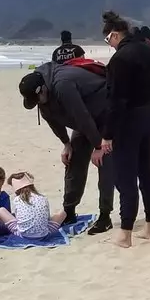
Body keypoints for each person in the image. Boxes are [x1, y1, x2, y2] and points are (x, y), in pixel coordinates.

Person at [19, 57, 116, 232]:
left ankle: (105, 216)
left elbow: (82, 116)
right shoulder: (41, 92)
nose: (37, 104)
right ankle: (69, 211)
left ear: (42, 90)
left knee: (104, 162)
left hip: (103, 113)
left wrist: (98, 146)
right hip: (84, 120)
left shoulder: (63, 86)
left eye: (37, 99)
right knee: (74, 162)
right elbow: (52, 119)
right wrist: (66, 144)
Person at [100, 10, 150, 248]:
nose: (109, 45)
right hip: (148, 114)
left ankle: (126, 233)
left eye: (108, 40)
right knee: (148, 170)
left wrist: (107, 134)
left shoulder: (120, 59)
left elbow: (116, 101)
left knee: (126, 175)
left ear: (115, 35)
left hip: (128, 120)